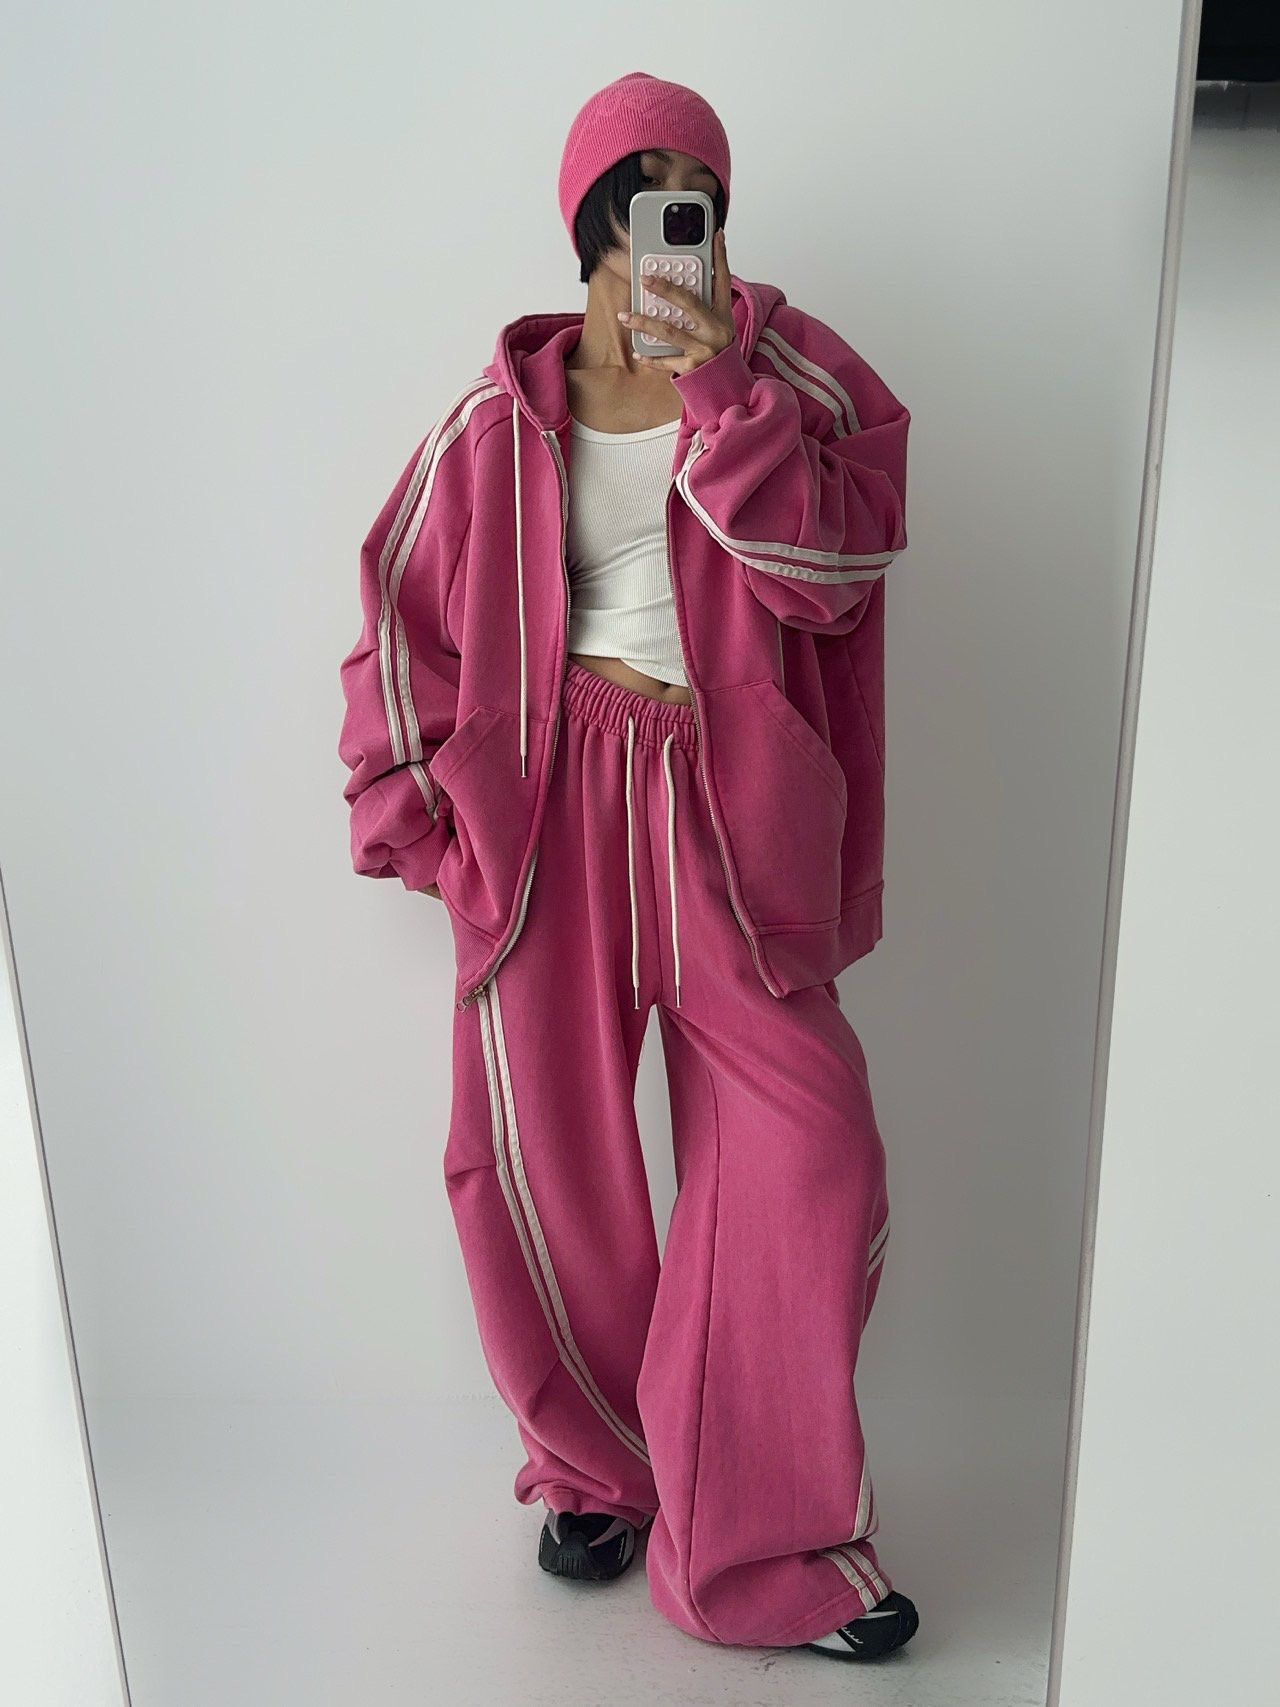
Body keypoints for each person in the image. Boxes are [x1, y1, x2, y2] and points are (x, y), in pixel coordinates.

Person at [337, 70, 917, 1663]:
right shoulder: (494, 419)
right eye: (642, 193)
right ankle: (601, 1475)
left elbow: (835, 571)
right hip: (548, 807)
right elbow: (397, 606)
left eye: (698, 196)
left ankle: (766, 1538)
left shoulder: (788, 373)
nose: (673, 221)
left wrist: (722, 384)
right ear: (586, 219)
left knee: (811, 1150)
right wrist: (428, 814)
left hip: (729, 802)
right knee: (540, 1158)